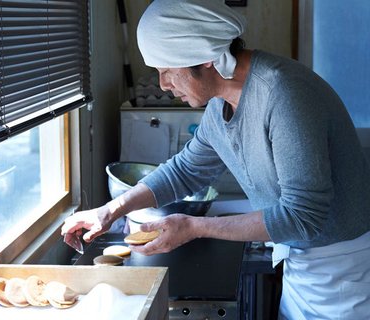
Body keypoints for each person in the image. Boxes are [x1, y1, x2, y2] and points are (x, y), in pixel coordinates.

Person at [61, 0, 370, 318]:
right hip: (302, 262)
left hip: (346, 271)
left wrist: (193, 226)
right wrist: (110, 210)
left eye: (167, 70)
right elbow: (183, 172)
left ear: (204, 56)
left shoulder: (284, 95)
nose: (164, 84)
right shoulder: (220, 105)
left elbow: (303, 216)